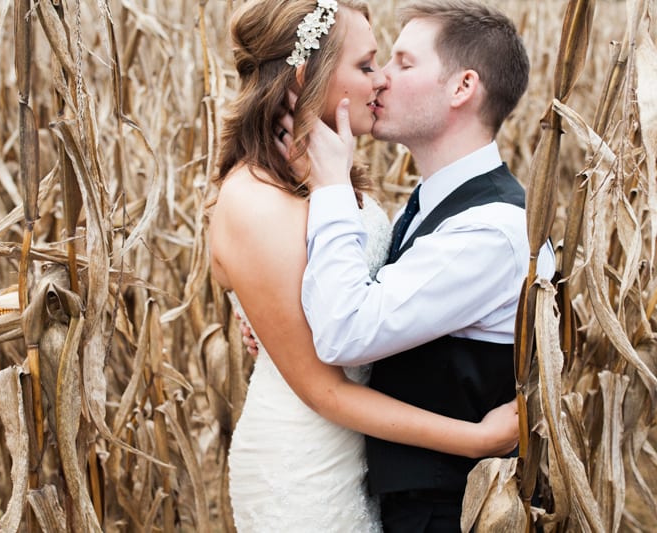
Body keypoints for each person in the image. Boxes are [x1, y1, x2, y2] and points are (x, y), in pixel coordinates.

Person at [208, 1, 523, 531]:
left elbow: (350, 312)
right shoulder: (264, 197)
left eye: (398, 63)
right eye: (369, 64)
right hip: (304, 469)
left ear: (463, 87)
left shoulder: (333, 183)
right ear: (310, 74)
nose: (381, 81)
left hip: (371, 470)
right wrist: (478, 439)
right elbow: (329, 363)